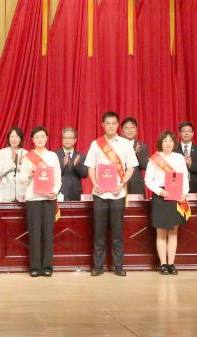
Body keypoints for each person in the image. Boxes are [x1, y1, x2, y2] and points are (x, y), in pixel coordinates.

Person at [84, 111, 138, 277]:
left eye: (114, 123)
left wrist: (122, 183)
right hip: (100, 194)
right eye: (108, 123)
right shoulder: (96, 144)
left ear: (118, 125)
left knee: (117, 232)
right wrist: (95, 183)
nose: (111, 126)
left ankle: (118, 266)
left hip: (118, 194)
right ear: (103, 125)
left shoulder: (125, 144)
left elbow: (131, 167)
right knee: (99, 232)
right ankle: (98, 266)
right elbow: (90, 167)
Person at [144, 130, 188, 275]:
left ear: (174, 143)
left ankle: (171, 263)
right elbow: (148, 180)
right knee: (161, 233)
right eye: (165, 141)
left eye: (170, 140)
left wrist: (184, 192)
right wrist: (159, 191)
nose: (168, 143)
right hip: (161, 196)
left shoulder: (179, 158)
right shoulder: (154, 159)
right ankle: (163, 264)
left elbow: (185, 177)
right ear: (160, 143)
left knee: (174, 232)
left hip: (177, 195)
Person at [20, 126, 61, 277]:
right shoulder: (27, 157)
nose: (40, 139)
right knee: (34, 234)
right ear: (32, 139)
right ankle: (35, 267)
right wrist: (30, 174)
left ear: (47, 138)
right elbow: (21, 179)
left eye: (42, 136)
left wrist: (54, 192)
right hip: (33, 199)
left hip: (48, 199)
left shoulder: (52, 156)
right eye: (37, 137)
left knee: (48, 234)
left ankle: (47, 266)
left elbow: (58, 179)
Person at [0, 127, 27, 203]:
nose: (14, 139)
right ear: (8, 138)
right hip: (5, 192)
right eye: (12, 136)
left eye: (17, 137)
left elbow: (27, 173)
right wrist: (12, 162)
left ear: (21, 139)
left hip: (22, 192)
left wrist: (21, 165)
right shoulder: (2, 152)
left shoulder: (26, 153)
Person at [120, 118, 150, 197]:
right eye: (126, 128)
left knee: (137, 205)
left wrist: (138, 153)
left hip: (136, 185)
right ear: (122, 131)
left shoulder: (142, 146)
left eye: (132, 127)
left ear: (136, 130)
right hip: (119, 183)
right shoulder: (116, 145)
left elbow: (145, 166)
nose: (129, 130)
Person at [57, 127, 88, 201]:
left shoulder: (80, 156)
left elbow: (85, 175)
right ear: (62, 140)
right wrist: (62, 165)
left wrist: (77, 165)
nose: (67, 140)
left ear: (75, 140)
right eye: (65, 138)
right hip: (59, 193)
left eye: (70, 138)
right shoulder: (54, 155)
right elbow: (51, 174)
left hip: (76, 195)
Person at [178, 121, 197, 194]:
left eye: (189, 131)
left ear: (193, 133)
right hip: (177, 187)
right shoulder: (173, 149)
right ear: (179, 133)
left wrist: (191, 165)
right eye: (184, 131)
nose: (186, 133)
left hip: (195, 188)